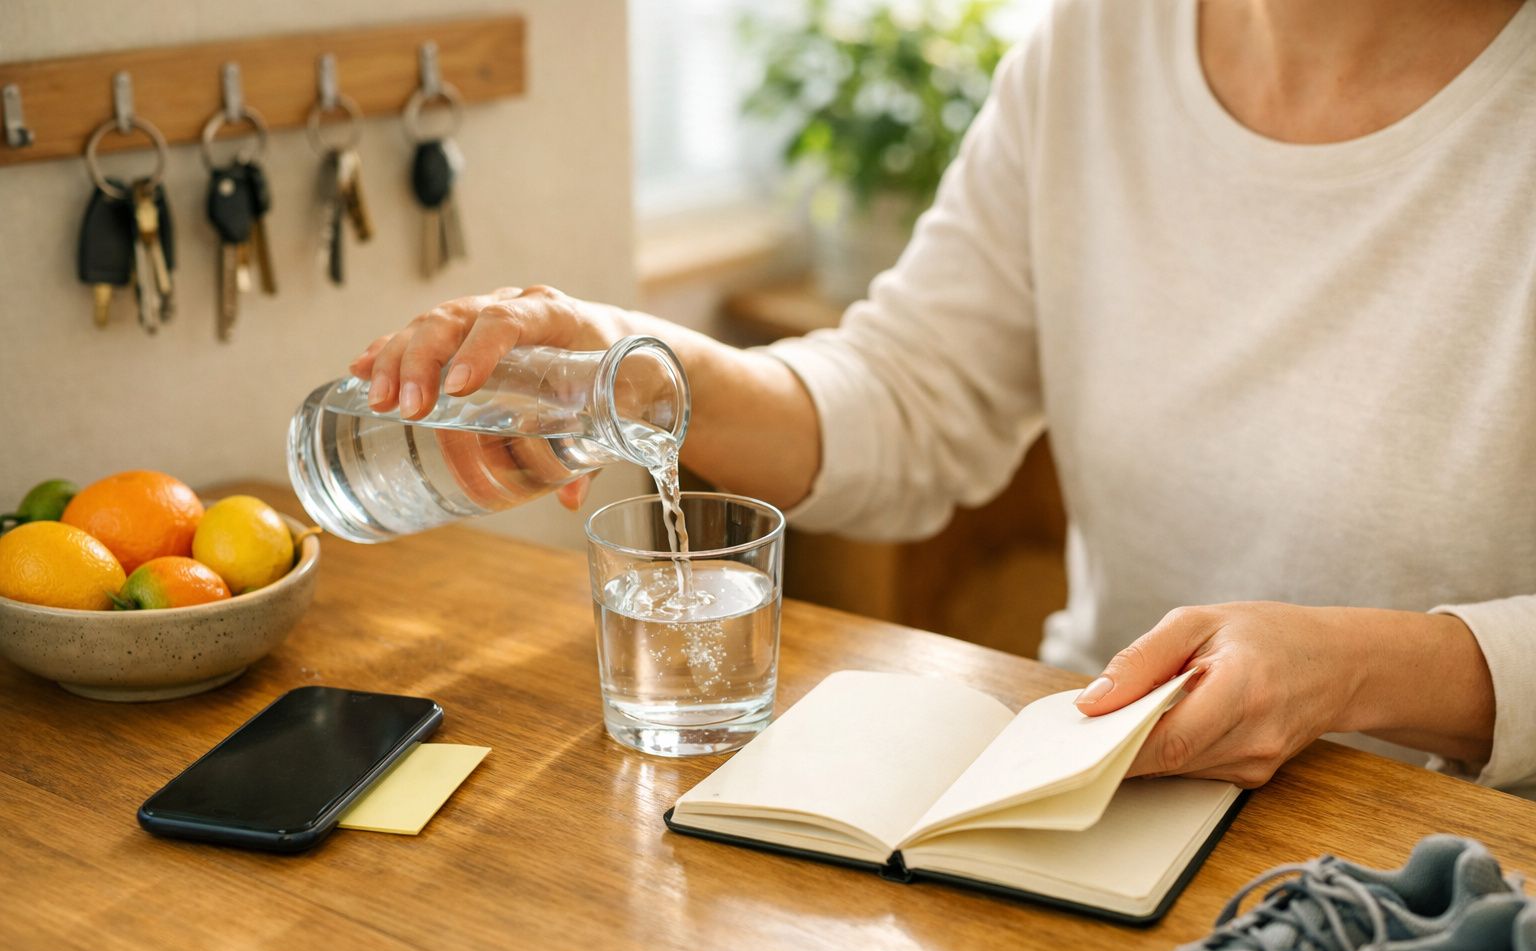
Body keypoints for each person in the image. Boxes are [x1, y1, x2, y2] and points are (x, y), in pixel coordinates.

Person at [353, 0, 1536, 798]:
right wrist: (631, 353)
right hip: (1104, 786)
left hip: (1464, 850)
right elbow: (912, 399)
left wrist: (1370, 668)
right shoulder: (1096, 50)